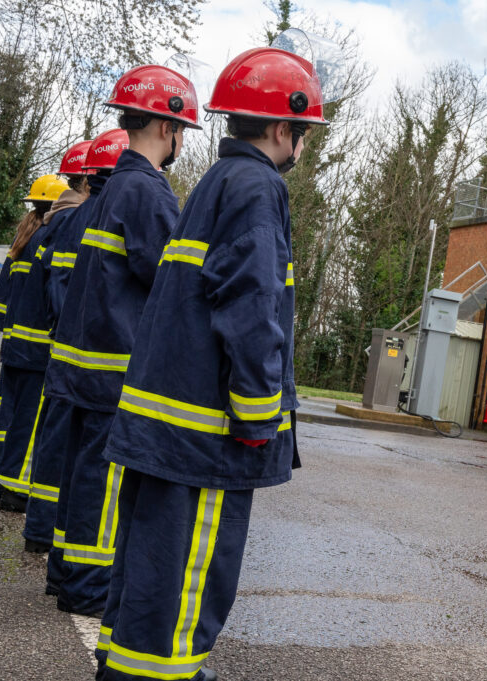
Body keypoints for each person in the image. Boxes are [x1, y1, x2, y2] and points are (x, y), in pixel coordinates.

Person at [94, 45, 325, 681]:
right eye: (303, 134)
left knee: (150, 573)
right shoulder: (258, 189)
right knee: (190, 582)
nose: (303, 146)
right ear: (284, 129)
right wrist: (259, 418)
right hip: (207, 435)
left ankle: (128, 669)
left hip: (167, 424)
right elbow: (253, 311)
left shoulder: (213, 184)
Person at [43, 64, 198, 617]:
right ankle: (86, 587)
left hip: (84, 361)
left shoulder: (112, 188)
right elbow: (169, 275)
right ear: (168, 128)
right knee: (103, 486)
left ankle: (67, 575)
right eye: (183, 132)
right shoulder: (147, 191)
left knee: (81, 475)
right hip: (114, 363)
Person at [32, 130, 127, 592]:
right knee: (93, 473)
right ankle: (83, 580)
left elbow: (59, 291)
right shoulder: (119, 211)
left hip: (69, 357)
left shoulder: (75, 218)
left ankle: (56, 554)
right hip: (101, 365)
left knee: (65, 459)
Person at [0, 174, 69, 512]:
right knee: (30, 420)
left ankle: (3, 470)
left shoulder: (24, 239)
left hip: (15, 345)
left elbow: (5, 296)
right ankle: (14, 489)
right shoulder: (48, 239)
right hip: (38, 350)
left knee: (10, 412)